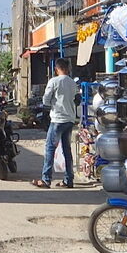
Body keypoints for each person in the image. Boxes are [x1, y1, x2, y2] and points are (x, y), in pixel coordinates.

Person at [34, 59, 79, 189]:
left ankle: (46, 179)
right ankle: (68, 180)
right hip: (69, 120)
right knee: (67, 150)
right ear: (68, 68)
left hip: (57, 119)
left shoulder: (54, 81)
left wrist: (50, 105)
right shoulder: (72, 83)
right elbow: (77, 99)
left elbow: (46, 99)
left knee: (50, 148)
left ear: (56, 69)